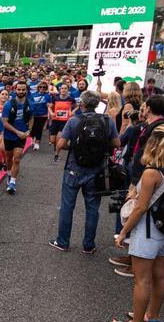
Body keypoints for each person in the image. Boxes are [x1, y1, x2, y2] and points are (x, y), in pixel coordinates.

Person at [110, 125, 164, 322]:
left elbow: (141, 207)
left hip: (149, 229)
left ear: (152, 144)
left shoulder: (152, 172)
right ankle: (152, 315)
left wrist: (124, 231)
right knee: (159, 275)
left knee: (141, 279)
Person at [50, 91, 119, 254]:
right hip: (97, 170)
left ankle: (63, 241)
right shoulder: (107, 121)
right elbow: (117, 143)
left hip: (74, 168)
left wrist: (68, 148)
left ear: (82, 104)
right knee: (93, 209)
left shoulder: (74, 121)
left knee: (67, 206)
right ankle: (88, 245)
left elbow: (61, 144)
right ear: (97, 104)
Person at [1, 82, 32, 194]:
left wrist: (29, 130)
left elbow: (31, 118)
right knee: (9, 158)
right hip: (9, 135)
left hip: (21, 136)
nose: (21, 92)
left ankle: (12, 182)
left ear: (26, 90)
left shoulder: (29, 103)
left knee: (17, 158)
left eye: (23, 90)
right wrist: (17, 132)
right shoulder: (8, 105)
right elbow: (4, 123)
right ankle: (9, 174)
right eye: (19, 90)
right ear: (15, 90)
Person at [48, 83, 76, 160]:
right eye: (62, 88)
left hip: (65, 122)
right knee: (52, 140)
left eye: (65, 88)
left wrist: (72, 112)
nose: (63, 90)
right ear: (60, 90)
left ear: (68, 90)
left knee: (58, 139)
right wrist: (51, 113)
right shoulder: (55, 99)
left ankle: (56, 155)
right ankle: (70, 148)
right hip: (55, 121)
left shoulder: (71, 99)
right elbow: (50, 107)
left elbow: (77, 106)